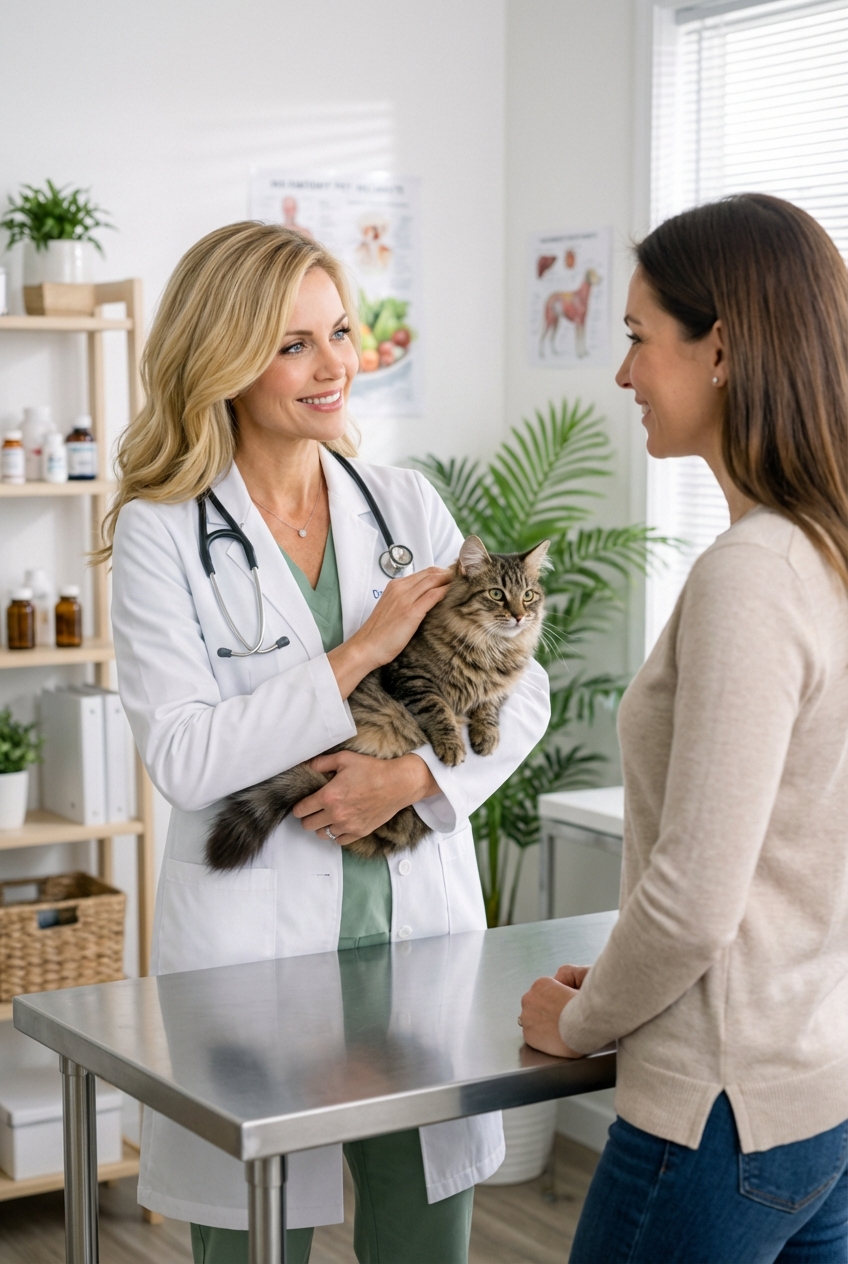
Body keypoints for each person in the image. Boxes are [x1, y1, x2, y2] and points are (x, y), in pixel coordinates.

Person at [103, 222, 550, 1264]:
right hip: (253, 961)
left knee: (423, 1237)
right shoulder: (163, 530)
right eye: (292, 343)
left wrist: (412, 776)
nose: (333, 364)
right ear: (221, 356)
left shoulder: (402, 504)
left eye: (340, 332)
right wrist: (357, 654)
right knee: (255, 1240)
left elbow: (522, 690)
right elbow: (185, 756)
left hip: (413, 950)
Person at [520, 194, 848, 1264]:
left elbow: (696, 897)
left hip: (715, 1114)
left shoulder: (753, 575)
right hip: (812, 1096)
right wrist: (623, 984)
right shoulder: (824, 552)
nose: (622, 374)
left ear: (721, 350)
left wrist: (580, 1024)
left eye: (636, 336)